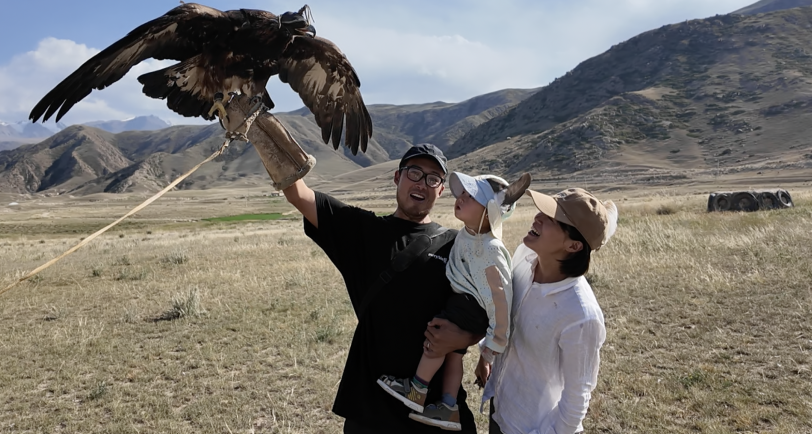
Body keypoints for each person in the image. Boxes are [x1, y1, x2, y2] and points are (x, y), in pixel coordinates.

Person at [222, 99, 482, 433]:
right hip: (372, 407)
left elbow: (489, 312)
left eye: (433, 178)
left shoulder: (458, 245)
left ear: (442, 190)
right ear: (397, 177)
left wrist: (466, 335)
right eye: (414, 173)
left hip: (436, 412)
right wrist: (259, 129)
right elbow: (299, 194)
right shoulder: (363, 231)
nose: (422, 183)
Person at [377, 171, 531, 431]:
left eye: (470, 196)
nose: (460, 197)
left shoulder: (491, 250)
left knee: (435, 344)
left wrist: (490, 348)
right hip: (463, 304)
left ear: (488, 211)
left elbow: (500, 300)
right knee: (452, 357)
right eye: (461, 193)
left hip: (467, 307)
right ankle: (448, 406)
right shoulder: (468, 235)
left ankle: (417, 390)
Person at [474, 187, 619, 434]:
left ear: (573, 246)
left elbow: (576, 400)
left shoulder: (581, 315)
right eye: (542, 211)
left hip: (530, 427)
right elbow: (505, 319)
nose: (537, 217)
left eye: (552, 219)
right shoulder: (525, 256)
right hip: (501, 409)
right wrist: (487, 356)